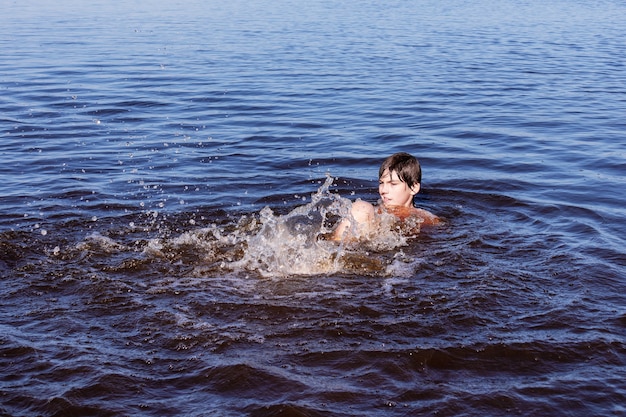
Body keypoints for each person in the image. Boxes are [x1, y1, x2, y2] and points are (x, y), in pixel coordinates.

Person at [331, 152, 440, 241]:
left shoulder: (426, 219)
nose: (383, 190)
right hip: (362, 246)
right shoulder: (372, 212)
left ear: (413, 188)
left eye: (393, 184)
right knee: (361, 207)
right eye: (381, 183)